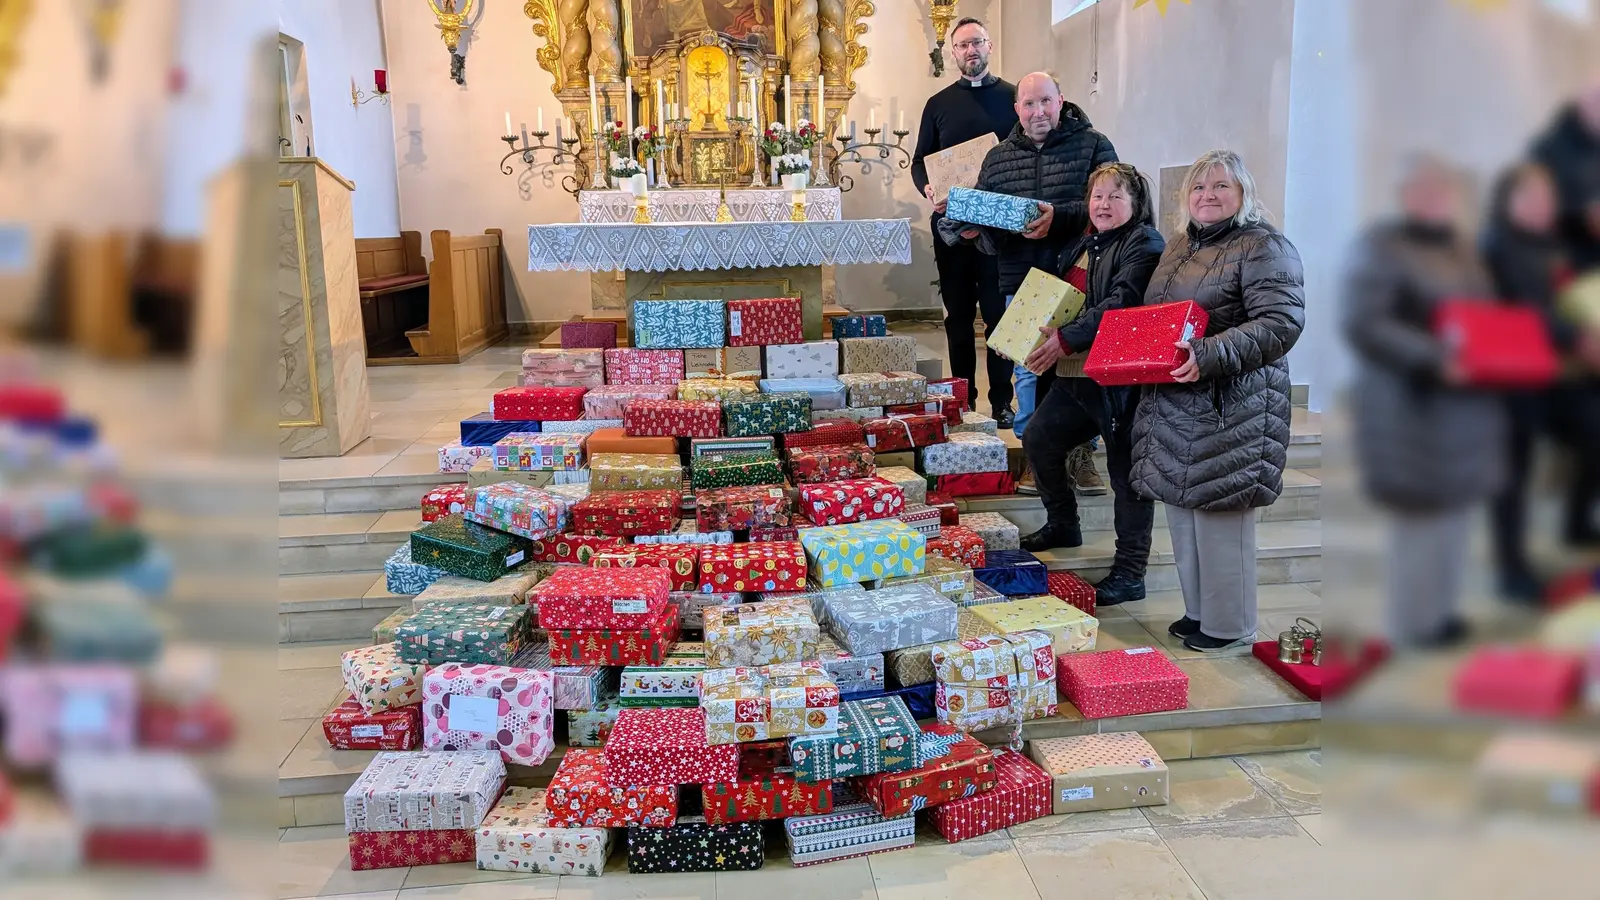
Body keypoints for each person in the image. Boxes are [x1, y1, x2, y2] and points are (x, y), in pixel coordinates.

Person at [1130, 150, 1305, 653]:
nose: (1208, 196)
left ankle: (1230, 624)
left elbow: (1280, 323)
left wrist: (1209, 354)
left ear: (1243, 194)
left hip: (1235, 402)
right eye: (1199, 187)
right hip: (1178, 397)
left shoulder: (1264, 245)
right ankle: (1200, 611)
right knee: (1185, 512)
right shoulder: (1181, 244)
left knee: (1221, 515)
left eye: (1221, 186)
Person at [1345, 156, 1502, 647]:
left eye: (1442, 190)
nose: (1435, 198)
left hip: (1465, 407)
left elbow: (1483, 314)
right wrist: (1435, 356)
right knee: (1419, 520)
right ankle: (1413, 620)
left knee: (1455, 515)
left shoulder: (1461, 248)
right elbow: (1367, 322)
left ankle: (1440, 613)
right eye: (1424, 189)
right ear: (1406, 195)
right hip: (1408, 405)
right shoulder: (1382, 246)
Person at [938, 72, 1118, 444]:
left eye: (1046, 101)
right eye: (1029, 104)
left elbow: (1114, 206)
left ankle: (1082, 451)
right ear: (1017, 108)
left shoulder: (1094, 145)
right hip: (1024, 278)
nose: (1038, 112)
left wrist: (1058, 216)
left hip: (1082, 273)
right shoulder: (998, 157)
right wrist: (976, 230)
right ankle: (1034, 451)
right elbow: (991, 221)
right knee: (1029, 369)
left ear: (1061, 100)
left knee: (1080, 365)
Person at [1018, 162, 1163, 607]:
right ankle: (1064, 523)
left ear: (1135, 205)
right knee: (1040, 438)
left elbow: (1121, 304)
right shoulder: (1087, 240)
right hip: (1077, 373)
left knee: (1126, 474)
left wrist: (1063, 338)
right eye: (1097, 195)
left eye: (1115, 196)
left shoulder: (1143, 242)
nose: (1103, 204)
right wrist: (1026, 335)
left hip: (1117, 379)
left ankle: (1131, 571)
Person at [910, 17, 1020, 427]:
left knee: (998, 317)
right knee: (958, 316)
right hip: (952, 229)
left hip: (999, 232)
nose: (971, 50)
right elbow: (921, 160)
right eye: (962, 45)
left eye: (977, 42)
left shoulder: (1012, 99)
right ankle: (962, 399)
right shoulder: (938, 104)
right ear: (953, 53)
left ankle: (1002, 402)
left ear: (989, 46)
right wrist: (926, 189)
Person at [1531, 78, 1600, 272]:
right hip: (1571, 255)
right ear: (1583, 106)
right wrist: (1583, 217)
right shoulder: (1550, 148)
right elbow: (1539, 210)